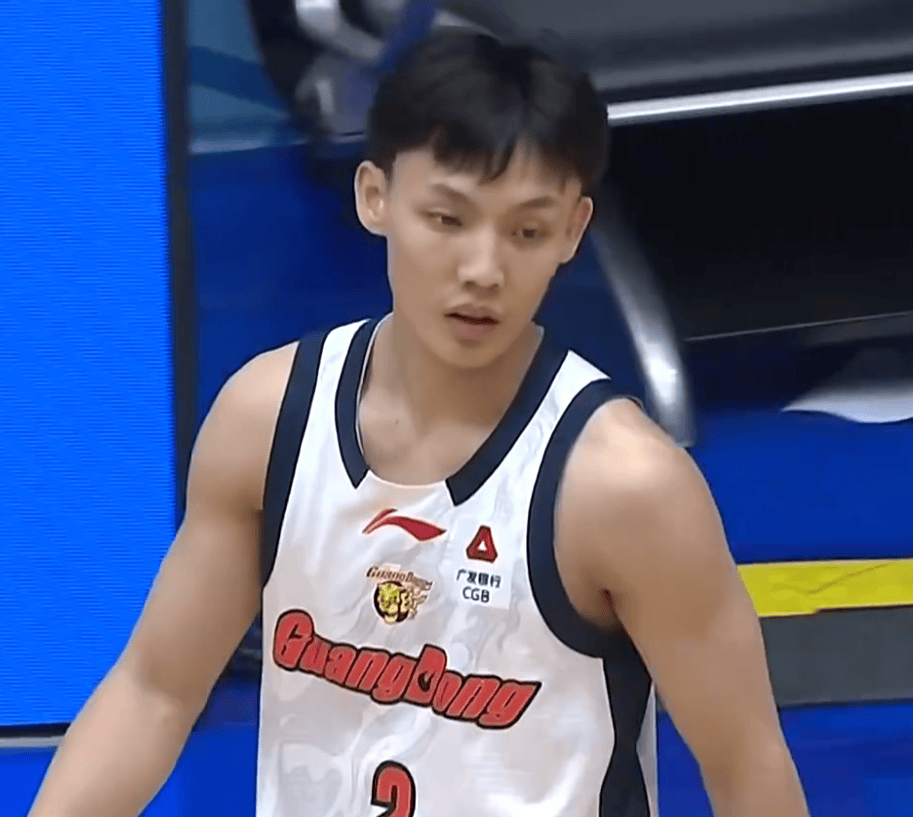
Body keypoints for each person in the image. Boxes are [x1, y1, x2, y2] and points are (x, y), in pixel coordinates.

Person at [28, 30, 809, 817]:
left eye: (526, 231)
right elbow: (154, 691)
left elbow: (746, 765)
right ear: (375, 196)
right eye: (446, 217)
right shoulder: (266, 421)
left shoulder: (623, 486)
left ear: (573, 231)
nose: (482, 268)